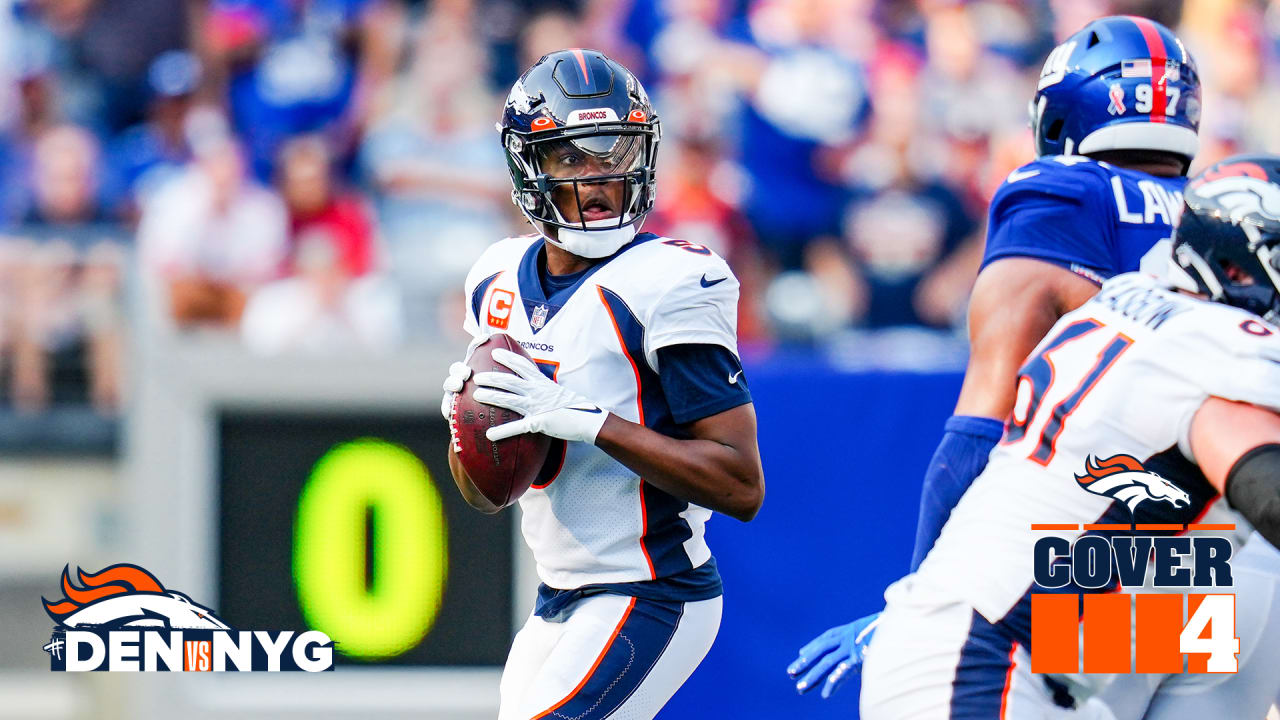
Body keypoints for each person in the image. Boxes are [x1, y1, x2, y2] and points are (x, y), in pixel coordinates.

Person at [788, 14, 1200, 699]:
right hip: (1210, 565)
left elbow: (981, 419)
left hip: (1080, 556)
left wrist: (917, 597)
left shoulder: (1062, 190)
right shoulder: (1227, 214)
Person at [859, 153, 1280, 718]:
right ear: (1238, 268)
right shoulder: (1217, 343)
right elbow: (1264, 484)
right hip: (985, 658)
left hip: (1009, 651)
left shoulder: (1134, 305)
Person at [440, 49, 764, 720]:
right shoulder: (495, 279)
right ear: (529, 166)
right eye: (571, 158)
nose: (599, 181)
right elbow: (484, 495)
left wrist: (588, 421)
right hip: (556, 597)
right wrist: (467, 430)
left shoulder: (671, 282)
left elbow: (741, 485)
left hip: (654, 591)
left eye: (613, 155)